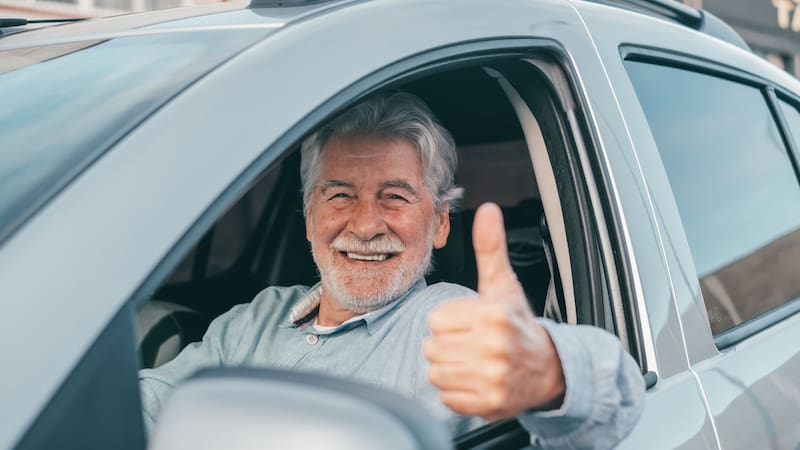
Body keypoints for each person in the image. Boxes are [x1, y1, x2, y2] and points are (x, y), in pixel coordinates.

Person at [139, 92, 644, 449]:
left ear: (441, 223)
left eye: (394, 197)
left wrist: (552, 370)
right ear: (310, 216)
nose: (364, 225)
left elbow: (616, 403)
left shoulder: (448, 322)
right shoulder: (253, 320)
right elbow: (145, 407)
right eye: (340, 195)